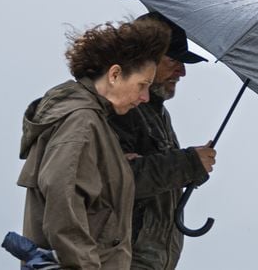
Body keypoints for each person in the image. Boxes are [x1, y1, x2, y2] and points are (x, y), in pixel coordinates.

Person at [16, 18, 170, 270]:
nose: (144, 97)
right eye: (142, 85)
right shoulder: (82, 122)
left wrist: (115, 167)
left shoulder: (92, 121)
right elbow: (63, 204)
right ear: (115, 74)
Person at [109, 12, 217, 270]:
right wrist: (188, 164)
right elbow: (116, 180)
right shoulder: (119, 107)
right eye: (174, 60)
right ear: (146, 58)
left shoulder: (158, 114)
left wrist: (191, 168)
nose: (182, 72)